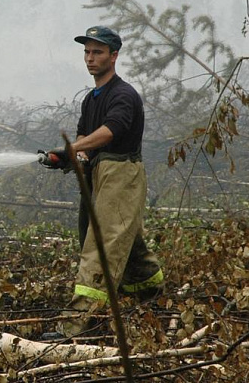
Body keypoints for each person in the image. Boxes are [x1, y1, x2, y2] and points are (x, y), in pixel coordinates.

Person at [46, 25, 163, 337]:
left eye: (97, 52)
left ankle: (73, 325)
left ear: (114, 56)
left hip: (122, 174)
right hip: (101, 173)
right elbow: (86, 134)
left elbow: (111, 130)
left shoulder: (124, 95)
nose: (90, 58)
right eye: (86, 52)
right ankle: (151, 295)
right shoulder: (91, 98)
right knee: (127, 242)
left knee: (101, 244)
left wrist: (75, 148)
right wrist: (72, 157)